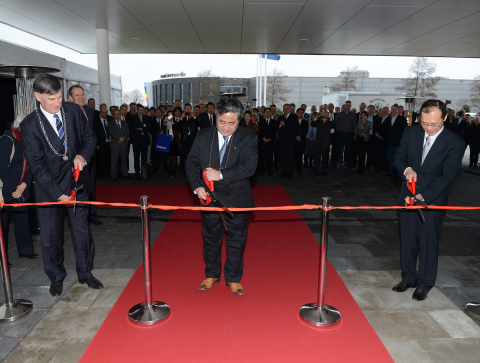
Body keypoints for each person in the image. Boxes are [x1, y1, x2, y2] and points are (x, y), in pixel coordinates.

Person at [21, 74, 103, 296]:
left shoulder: (73, 111)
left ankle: (85, 272)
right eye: (51, 100)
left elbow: (89, 138)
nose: (57, 104)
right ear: (38, 96)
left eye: (59, 97)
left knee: (82, 232)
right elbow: (37, 165)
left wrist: (82, 156)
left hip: (77, 184)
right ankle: (56, 276)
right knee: (50, 237)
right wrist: (58, 194)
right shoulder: (29, 126)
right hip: (49, 189)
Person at [393, 99, 465, 301]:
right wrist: (407, 170)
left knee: (428, 242)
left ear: (445, 117)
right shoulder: (411, 132)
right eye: (424, 123)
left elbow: (448, 176)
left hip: (433, 200)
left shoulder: (455, 142)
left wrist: (424, 195)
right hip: (407, 195)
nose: (429, 128)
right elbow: (399, 158)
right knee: (407, 240)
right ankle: (408, 277)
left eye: (434, 124)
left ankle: (425, 283)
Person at [185, 98, 257, 296]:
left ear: (239, 121)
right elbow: (191, 163)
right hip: (208, 198)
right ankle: (211, 274)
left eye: (231, 123)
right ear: (216, 117)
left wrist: (221, 175)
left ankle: (233, 278)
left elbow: (249, 167)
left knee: (236, 240)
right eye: (222, 122)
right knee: (211, 238)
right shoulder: (203, 135)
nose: (226, 128)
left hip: (237, 198)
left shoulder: (248, 138)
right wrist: (197, 187)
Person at [0, 114, 38, 268]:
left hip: (21, 188)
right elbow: (3, 169)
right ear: (20, 125)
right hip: (7, 190)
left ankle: (26, 250)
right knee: (2, 226)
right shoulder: (6, 140)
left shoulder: (28, 141)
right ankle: (2, 258)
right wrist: (13, 190)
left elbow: (32, 165)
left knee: (22, 220)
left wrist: (23, 185)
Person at [380, 103, 407, 177]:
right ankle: (391, 171)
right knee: (389, 157)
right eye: (392, 109)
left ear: (398, 110)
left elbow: (405, 131)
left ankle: (397, 172)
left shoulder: (402, 119)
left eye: (395, 109)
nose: (394, 111)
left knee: (397, 158)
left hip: (397, 142)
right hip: (388, 142)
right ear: (391, 110)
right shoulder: (387, 119)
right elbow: (382, 130)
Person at [332, 100, 356, 170]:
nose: (348, 106)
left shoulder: (353, 115)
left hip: (349, 135)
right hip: (340, 134)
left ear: (350, 106)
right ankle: (334, 166)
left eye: (349, 105)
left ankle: (348, 166)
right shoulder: (339, 114)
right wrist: (339, 131)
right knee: (338, 150)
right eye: (346, 105)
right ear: (344, 105)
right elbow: (336, 124)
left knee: (348, 151)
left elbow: (354, 125)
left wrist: (350, 132)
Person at [277, 103, 298, 179]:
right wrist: (280, 125)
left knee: (290, 158)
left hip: (290, 141)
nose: (285, 110)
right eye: (284, 108)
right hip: (281, 141)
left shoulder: (294, 117)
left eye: (287, 108)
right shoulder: (281, 117)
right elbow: (277, 125)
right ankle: (284, 172)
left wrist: (284, 124)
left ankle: (290, 173)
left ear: (290, 109)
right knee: (282, 158)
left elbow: (294, 126)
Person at [130, 104, 151, 178]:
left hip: (144, 140)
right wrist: (144, 126)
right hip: (136, 140)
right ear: (136, 110)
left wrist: (141, 128)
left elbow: (149, 126)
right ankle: (137, 171)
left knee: (144, 156)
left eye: (142, 110)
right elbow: (135, 126)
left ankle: (143, 171)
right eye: (139, 110)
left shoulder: (146, 117)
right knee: (136, 156)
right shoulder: (133, 117)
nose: (141, 112)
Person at [108, 109, 130, 180]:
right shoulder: (110, 123)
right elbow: (110, 132)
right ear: (113, 115)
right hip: (115, 145)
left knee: (124, 160)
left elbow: (127, 131)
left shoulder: (125, 123)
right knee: (114, 162)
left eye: (118, 114)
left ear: (120, 115)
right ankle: (113, 175)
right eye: (115, 114)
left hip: (123, 144)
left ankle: (125, 173)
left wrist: (124, 138)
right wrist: (119, 138)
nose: (117, 115)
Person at [311, 112, 334, 176]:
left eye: (326, 114)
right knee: (317, 156)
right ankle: (316, 170)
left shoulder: (330, 121)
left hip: (326, 141)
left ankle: (324, 170)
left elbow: (333, 125)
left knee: (325, 156)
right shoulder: (318, 121)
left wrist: (330, 118)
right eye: (323, 114)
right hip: (318, 141)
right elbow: (312, 124)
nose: (325, 115)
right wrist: (316, 117)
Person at [257, 107, 278, 176]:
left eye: (269, 112)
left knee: (270, 157)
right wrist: (263, 138)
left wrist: (270, 139)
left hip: (271, 142)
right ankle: (262, 170)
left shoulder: (274, 122)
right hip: (262, 142)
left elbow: (275, 132)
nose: (268, 113)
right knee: (262, 157)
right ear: (264, 113)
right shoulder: (261, 122)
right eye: (266, 112)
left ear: (271, 113)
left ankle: (270, 171)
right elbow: (259, 132)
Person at [294, 108, 309, 175]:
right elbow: (292, 131)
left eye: (302, 113)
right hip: (294, 141)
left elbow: (305, 131)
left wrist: (300, 136)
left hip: (301, 141)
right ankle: (292, 169)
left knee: (300, 156)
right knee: (293, 156)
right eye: (299, 112)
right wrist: (296, 136)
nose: (300, 114)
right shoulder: (293, 122)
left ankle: (299, 170)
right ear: (296, 113)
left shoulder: (305, 122)